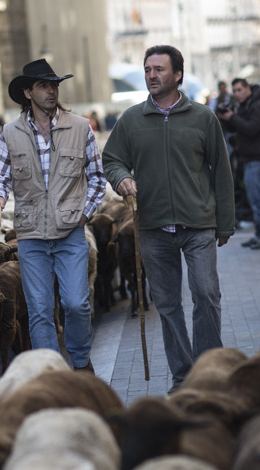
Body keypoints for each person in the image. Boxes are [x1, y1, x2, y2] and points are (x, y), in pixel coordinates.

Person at [102, 45, 235, 394]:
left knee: (206, 295)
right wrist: (121, 178)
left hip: (198, 224)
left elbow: (221, 171)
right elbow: (112, 159)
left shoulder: (203, 117)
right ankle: (182, 378)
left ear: (177, 74)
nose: (151, 75)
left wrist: (226, 222)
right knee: (167, 305)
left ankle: (209, 372)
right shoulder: (131, 119)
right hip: (152, 226)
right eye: (147, 69)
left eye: (159, 69)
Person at [0, 58, 106, 372]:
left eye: (54, 85)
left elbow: (96, 176)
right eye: (43, 85)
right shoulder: (9, 133)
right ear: (28, 92)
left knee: (76, 304)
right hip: (31, 236)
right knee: (39, 309)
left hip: (70, 233)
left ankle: (80, 363)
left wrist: (86, 213)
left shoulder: (80, 127)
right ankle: (50, 372)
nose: (51, 91)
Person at [218, 78, 260, 249]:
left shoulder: (256, 105)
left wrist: (233, 117)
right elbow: (236, 129)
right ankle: (257, 235)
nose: (237, 94)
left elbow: (251, 128)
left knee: (256, 201)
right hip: (248, 160)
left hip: (256, 160)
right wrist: (226, 118)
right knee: (254, 200)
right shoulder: (244, 105)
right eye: (234, 91)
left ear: (248, 88)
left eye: (239, 90)